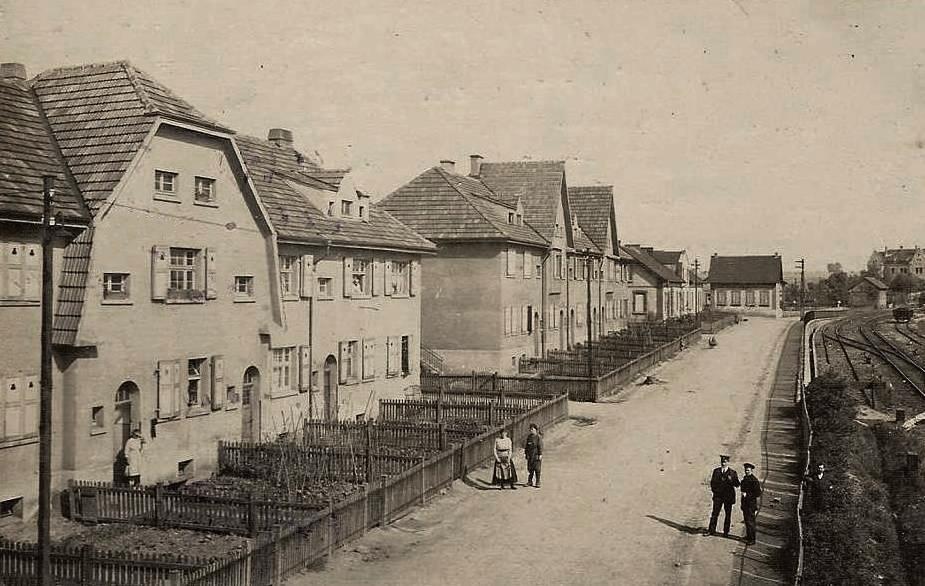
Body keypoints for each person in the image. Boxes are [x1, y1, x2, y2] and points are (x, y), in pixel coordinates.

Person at [707, 454, 740, 537]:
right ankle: (711, 530)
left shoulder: (732, 473)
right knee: (715, 513)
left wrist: (731, 480)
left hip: (728, 497)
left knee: (728, 515)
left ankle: (726, 532)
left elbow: (737, 484)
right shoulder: (716, 471)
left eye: (725, 462)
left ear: (728, 462)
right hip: (718, 496)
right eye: (722, 462)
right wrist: (715, 492)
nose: (723, 464)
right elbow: (712, 483)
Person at [740, 463, 762, 545]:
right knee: (747, 521)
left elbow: (758, 493)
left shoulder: (754, 480)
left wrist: (747, 495)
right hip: (745, 504)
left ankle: (752, 539)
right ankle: (749, 536)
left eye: (748, 470)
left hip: (751, 505)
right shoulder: (745, 478)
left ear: (751, 471)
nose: (746, 472)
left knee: (751, 522)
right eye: (746, 470)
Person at [524, 423, 544, 488]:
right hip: (530, 455)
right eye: (530, 429)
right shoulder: (529, 437)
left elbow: (540, 446)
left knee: (537, 469)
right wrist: (526, 454)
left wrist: (540, 454)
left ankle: (538, 482)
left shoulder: (538, 437)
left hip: (536, 455)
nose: (531, 430)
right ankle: (530, 481)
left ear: (535, 429)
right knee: (530, 469)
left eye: (532, 429)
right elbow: (526, 446)